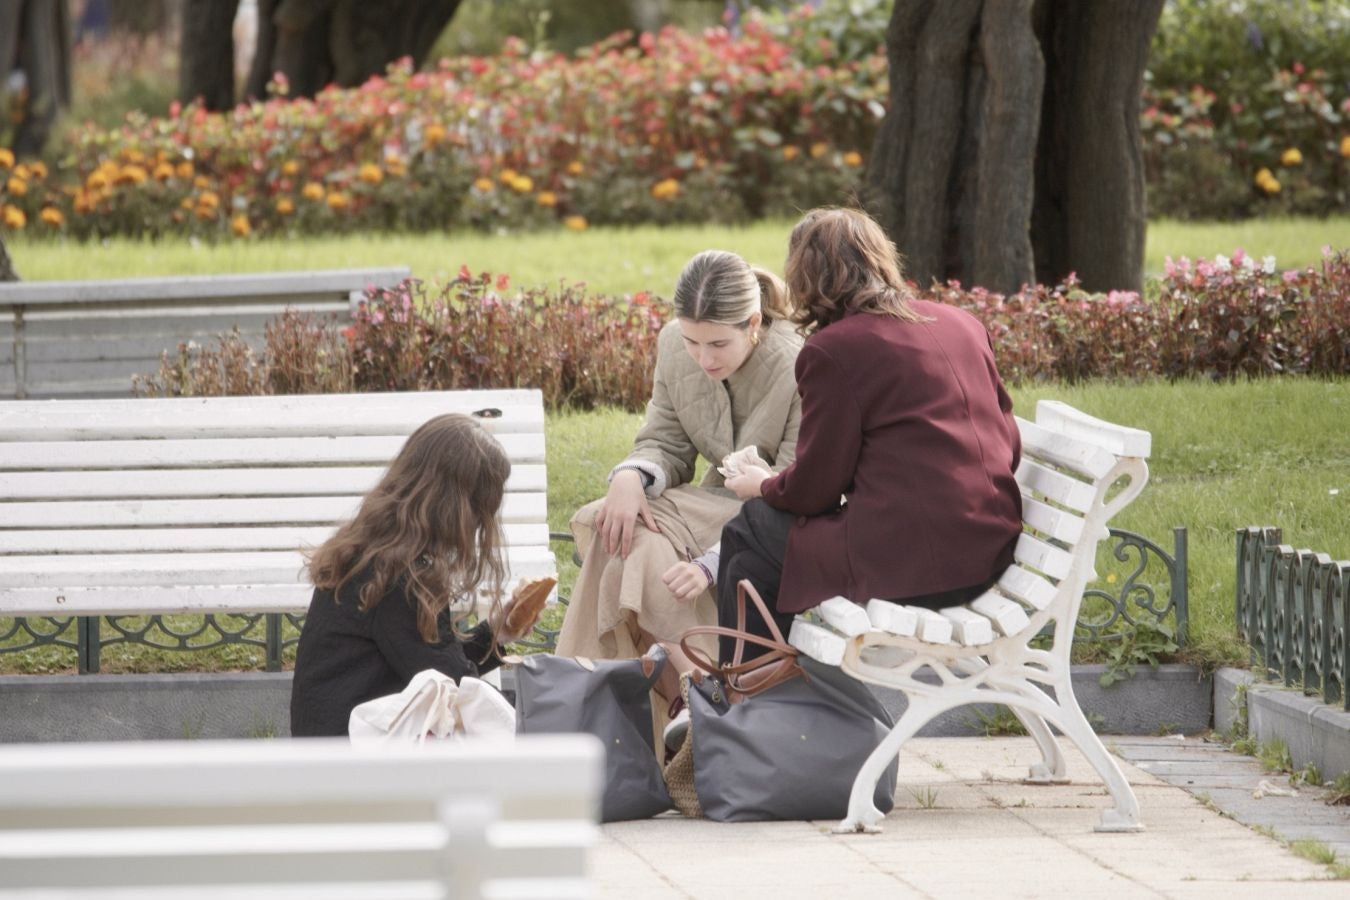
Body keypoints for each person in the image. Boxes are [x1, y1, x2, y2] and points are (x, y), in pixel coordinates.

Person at [720, 207, 1023, 661]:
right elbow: (1008, 443)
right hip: (989, 548)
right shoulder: (962, 323)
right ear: (882, 259)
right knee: (750, 567)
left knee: (752, 524)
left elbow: (815, 491)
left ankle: (740, 698)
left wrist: (761, 484)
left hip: (915, 563)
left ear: (806, 276)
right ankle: (751, 696)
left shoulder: (833, 350)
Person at [555, 249, 803, 706]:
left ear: (752, 322)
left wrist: (710, 563)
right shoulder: (673, 346)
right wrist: (630, 477)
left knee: (629, 545)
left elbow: (792, 492)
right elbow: (665, 441)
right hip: (702, 509)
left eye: (717, 345)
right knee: (626, 537)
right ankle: (697, 704)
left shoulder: (797, 363)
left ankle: (589, 704)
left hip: (768, 521)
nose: (703, 359)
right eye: (693, 341)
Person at [290, 413, 544, 737]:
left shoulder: (375, 552)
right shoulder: (401, 578)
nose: (480, 525)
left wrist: (497, 632)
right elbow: (455, 685)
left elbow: (434, 665)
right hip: (354, 764)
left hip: (336, 746)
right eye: (481, 511)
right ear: (457, 506)